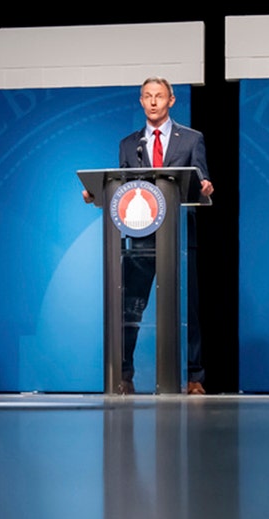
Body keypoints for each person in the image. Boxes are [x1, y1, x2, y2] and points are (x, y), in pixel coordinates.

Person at [82, 77, 214, 394]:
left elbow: (201, 177)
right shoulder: (129, 144)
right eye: (147, 96)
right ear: (141, 101)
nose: (153, 102)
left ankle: (194, 378)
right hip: (139, 239)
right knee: (131, 306)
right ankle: (124, 376)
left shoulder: (192, 139)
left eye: (159, 96)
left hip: (180, 238)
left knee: (188, 308)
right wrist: (97, 192)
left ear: (171, 101)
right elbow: (124, 189)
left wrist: (206, 184)